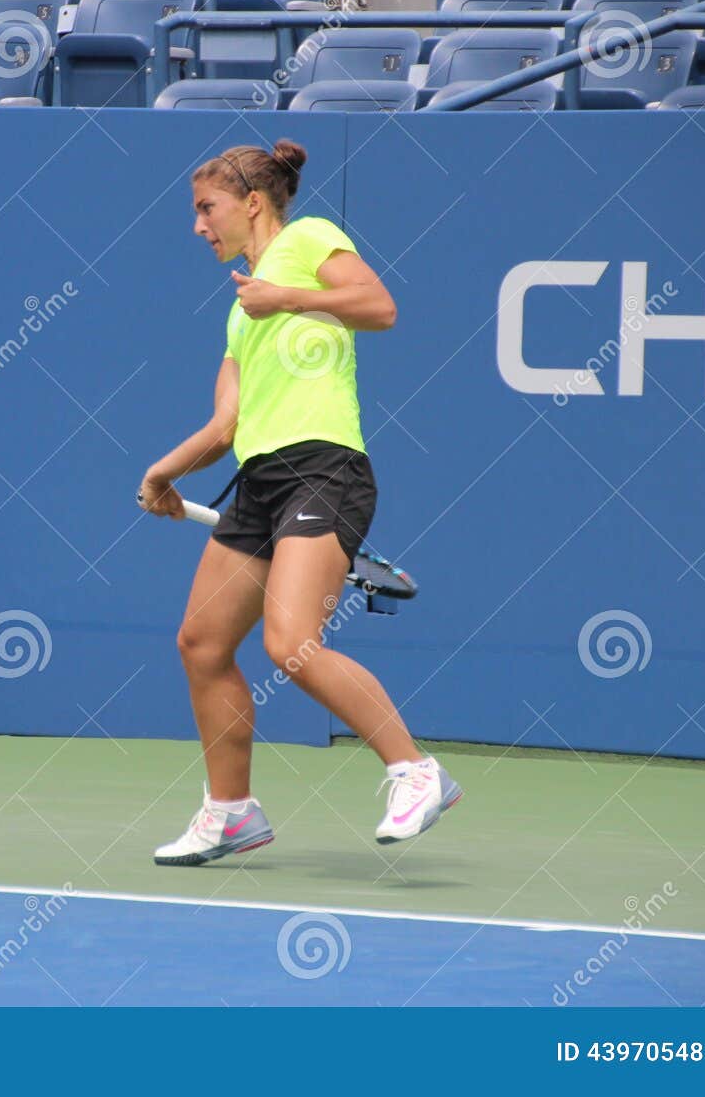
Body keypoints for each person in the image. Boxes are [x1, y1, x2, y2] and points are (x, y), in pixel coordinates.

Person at [136, 139, 461, 867]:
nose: (197, 225)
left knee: (291, 645)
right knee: (203, 642)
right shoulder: (237, 312)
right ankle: (231, 812)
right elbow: (226, 426)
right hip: (260, 481)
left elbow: (379, 307)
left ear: (252, 202)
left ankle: (416, 771)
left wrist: (287, 296)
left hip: (326, 470)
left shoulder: (311, 240)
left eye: (205, 207)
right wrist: (162, 474)